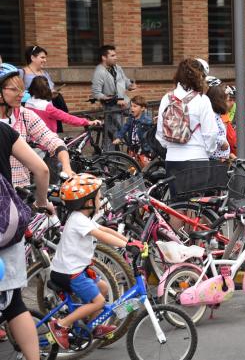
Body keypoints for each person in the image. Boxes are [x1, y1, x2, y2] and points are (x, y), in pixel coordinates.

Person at [48, 174, 143, 349]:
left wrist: (129, 242)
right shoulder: (78, 220)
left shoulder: (83, 218)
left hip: (75, 270)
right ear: (87, 202)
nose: (100, 199)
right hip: (70, 274)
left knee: (104, 288)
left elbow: (105, 229)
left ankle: (92, 327)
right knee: (98, 302)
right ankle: (61, 324)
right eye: (98, 196)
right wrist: (126, 246)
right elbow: (101, 236)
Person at [0, 121, 53, 360]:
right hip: (5, 230)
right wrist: (41, 202)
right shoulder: (3, 130)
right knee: (14, 304)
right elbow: (41, 169)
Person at [0, 63, 73, 186]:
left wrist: (67, 167)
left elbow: (52, 140)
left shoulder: (25, 115)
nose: (21, 94)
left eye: (22, 89)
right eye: (14, 89)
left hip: (20, 189)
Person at [156, 59, 218, 196]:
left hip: (172, 159)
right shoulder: (202, 100)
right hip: (197, 159)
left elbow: (160, 132)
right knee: (194, 207)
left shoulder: (167, 98)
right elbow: (211, 133)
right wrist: (208, 151)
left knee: (176, 207)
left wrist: (171, 146)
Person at [91, 45, 138, 151]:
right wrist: (113, 99)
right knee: (114, 134)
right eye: (112, 55)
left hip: (125, 104)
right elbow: (96, 93)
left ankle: (134, 150)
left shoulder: (118, 68)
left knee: (141, 117)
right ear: (104, 57)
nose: (116, 57)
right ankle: (111, 159)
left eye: (115, 55)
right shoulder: (99, 72)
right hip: (112, 108)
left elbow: (125, 81)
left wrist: (130, 85)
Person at [19, 45, 71, 133]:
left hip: (48, 110)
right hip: (32, 111)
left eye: (45, 58)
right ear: (32, 57)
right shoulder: (22, 73)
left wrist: (53, 93)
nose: (45, 60)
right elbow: (18, 92)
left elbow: (49, 90)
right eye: (42, 57)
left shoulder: (45, 73)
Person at [25, 76, 100, 133]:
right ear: (46, 89)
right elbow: (67, 118)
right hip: (47, 142)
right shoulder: (47, 107)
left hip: (31, 140)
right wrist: (87, 122)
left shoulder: (28, 103)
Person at [112, 95, 153, 168]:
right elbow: (125, 128)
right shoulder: (131, 119)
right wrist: (119, 137)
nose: (132, 108)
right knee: (132, 168)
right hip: (132, 148)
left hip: (143, 150)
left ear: (143, 108)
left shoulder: (147, 120)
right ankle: (134, 178)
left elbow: (151, 134)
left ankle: (146, 178)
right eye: (131, 106)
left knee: (145, 168)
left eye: (135, 106)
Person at [206, 84, 231, 161]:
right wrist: (222, 142)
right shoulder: (212, 116)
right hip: (215, 159)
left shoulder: (216, 115)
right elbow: (210, 132)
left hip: (219, 158)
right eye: (226, 100)